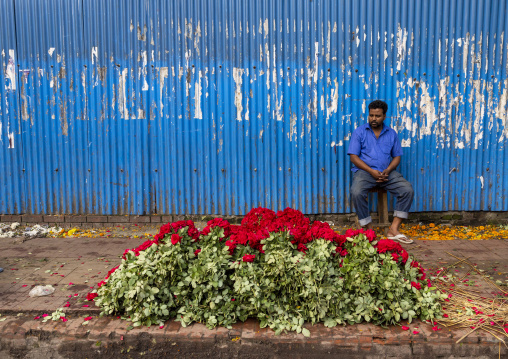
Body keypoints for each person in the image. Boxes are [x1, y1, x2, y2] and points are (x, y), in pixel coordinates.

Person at [347, 100, 414, 244]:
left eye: (377, 116)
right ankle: (368, 229)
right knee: (356, 192)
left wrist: (388, 170)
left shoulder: (391, 134)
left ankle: (393, 229)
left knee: (407, 189)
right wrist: (371, 171)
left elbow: (397, 157)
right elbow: (353, 156)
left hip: (387, 173)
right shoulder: (360, 132)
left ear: (384, 116)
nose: (373, 119)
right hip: (365, 172)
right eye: (371, 115)